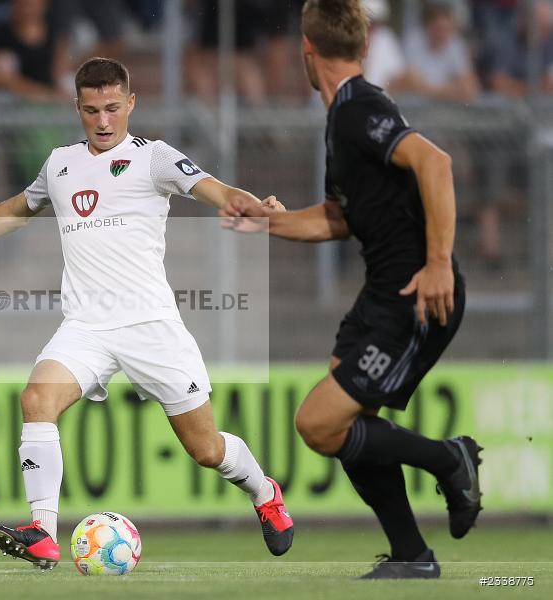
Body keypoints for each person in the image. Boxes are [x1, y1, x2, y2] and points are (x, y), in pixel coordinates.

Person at [0, 57, 295, 569]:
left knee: (206, 449)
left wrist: (255, 207)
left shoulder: (155, 157)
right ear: (77, 108)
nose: (102, 120)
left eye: (113, 108)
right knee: (36, 399)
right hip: (86, 326)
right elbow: (14, 209)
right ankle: (42, 530)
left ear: (131, 104)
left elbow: (219, 191)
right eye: (92, 110)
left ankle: (263, 490)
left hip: (151, 325)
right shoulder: (60, 165)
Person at [222, 0, 481, 579]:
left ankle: (449, 458)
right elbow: (336, 219)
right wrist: (266, 220)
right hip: (382, 294)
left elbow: (435, 163)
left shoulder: (358, 108)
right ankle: (412, 556)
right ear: (362, 46)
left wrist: (439, 261)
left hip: (417, 294)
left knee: (318, 423)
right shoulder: (342, 118)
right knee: (343, 427)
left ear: (306, 50)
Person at [396, 1, 479, 102]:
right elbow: (409, 81)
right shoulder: (413, 40)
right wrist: (448, 91)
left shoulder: (456, 44)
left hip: (444, 110)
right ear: (428, 25)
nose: (442, 34)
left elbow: (469, 86)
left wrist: (436, 90)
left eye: (446, 29)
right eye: (438, 29)